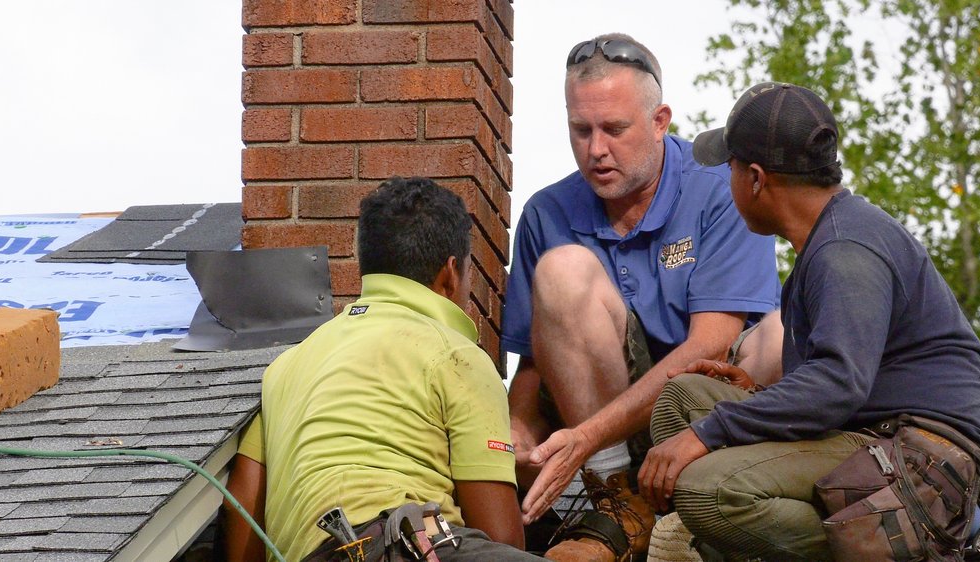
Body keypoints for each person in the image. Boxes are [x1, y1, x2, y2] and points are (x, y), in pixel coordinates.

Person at [639, 82, 980, 560]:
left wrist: (709, 433)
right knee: (680, 399)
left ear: (757, 179)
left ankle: (920, 545)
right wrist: (761, 395)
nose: (729, 182)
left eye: (731, 169)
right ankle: (713, 545)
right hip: (877, 431)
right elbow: (847, 382)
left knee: (708, 490)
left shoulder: (845, 249)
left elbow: (838, 384)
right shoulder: (832, 236)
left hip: (923, 462)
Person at [502, 33, 780, 559]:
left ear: (660, 121)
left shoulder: (722, 186)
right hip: (605, 447)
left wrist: (583, 436)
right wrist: (516, 434)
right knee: (562, 271)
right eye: (580, 130)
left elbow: (713, 345)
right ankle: (618, 508)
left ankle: (738, 493)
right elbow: (536, 369)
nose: (596, 149)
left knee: (784, 336)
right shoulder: (547, 212)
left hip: (703, 414)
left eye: (614, 129)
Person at [217, 177, 543, 562]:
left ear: (365, 264)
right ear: (451, 273)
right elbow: (501, 536)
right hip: (405, 547)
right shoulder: (455, 354)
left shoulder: (287, 367)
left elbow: (243, 524)